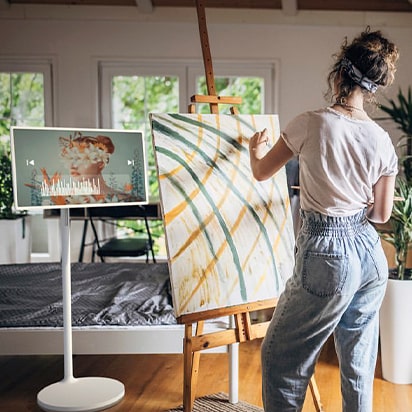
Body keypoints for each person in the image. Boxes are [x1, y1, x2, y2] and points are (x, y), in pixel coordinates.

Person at [249, 28, 399, 412]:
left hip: (327, 255)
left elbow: (263, 172)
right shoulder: (381, 140)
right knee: (359, 363)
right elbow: (381, 215)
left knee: (282, 359)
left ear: (338, 76)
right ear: (371, 87)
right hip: (369, 253)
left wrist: (255, 150)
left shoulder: (312, 123)